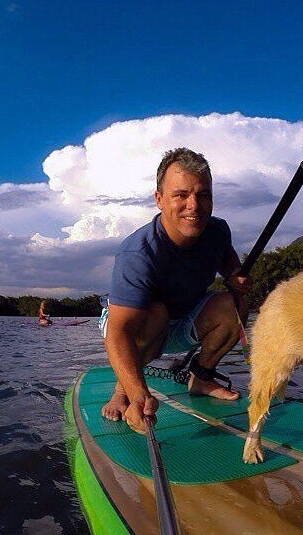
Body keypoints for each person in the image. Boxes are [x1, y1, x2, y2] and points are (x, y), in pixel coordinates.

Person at [100, 147, 251, 433]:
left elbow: (228, 260)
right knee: (156, 312)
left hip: (183, 319)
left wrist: (235, 275)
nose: (193, 205)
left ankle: (202, 375)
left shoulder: (218, 231)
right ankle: (120, 390)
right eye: (180, 195)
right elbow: (118, 333)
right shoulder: (137, 254)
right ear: (159, 199)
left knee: (236, 304)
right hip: (135, 324)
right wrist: (136, 394)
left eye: (203, 195)